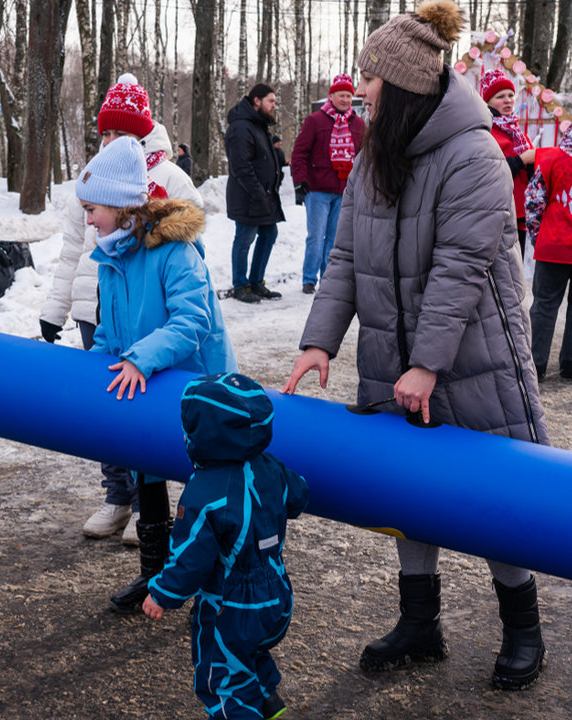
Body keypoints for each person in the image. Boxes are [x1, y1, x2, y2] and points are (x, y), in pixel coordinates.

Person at [281, 0, 550, 691]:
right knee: (405, 490)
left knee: (493, 492)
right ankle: (420, 622)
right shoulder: (376, 154)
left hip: (471, 359)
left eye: (370, 79)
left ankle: (524, 628)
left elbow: (462, 268)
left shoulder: (474, 156)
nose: (360, 88)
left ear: (401, 85)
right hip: (391, 357)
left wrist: (427, 364)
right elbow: (345, 257)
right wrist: (320, 342)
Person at [74, 136, 237, 614]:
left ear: (123, 205)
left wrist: (139, 358)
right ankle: (154, 574)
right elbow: (110, 328)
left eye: (93, 209)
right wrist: (92, 364)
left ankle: (211, 585)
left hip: (195, 387)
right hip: (147, 385)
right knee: (146, 473)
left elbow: (192, 322)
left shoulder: (174, 250)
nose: (88, 220)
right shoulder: (112, 256)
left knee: (202, 490)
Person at [39, 74, 203, 546]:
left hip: (160, 332)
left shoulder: (169, 188)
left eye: (119, 132)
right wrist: (58, 308)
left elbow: (189, 305)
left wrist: (145, 350)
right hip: (109, 312)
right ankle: (125, 504)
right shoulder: (97, 191)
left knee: (165, 432)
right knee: (117, 415)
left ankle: (182, 548)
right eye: (104, 132)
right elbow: (75, 249)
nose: (109, 141)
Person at [143, 373, 308, 720]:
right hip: (277, 595)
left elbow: (190, 556)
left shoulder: (205, 493)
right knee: (250, 653)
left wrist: (162, 593)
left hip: (230, 603)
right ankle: (271, 708)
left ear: (204, 436)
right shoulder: (272, 468)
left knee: (221, 678)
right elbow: (298, 496)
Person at [290, 73, 365, 295]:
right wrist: (300, 181)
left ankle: (328, 278)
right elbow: (299, 153)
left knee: (334, 239)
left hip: (344, 191)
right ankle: (308, 279)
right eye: (342, 95)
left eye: (349, 96)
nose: (346, 100)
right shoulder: (315, 121)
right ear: (331, 96)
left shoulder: (358, 124)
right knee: (316, 236)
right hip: (318, 189)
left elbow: (363, 157)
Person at [225, 83, 285, 304]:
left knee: (269, 235)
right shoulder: (242, 127)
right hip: (248, 196)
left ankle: (256, 282)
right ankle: (240, 285)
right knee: (244, 239)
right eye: (271, 101)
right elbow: (241, 167)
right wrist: (259, 193)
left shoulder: (258, 125)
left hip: (263, 195)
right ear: (256, 101)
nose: (274, 105)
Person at [525, 126, 572, 381]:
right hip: (554, 243)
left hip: (553, 243)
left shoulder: (551, 157)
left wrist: (536, 237)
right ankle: (570, 365)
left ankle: (535, 363)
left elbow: (534, 200)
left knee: (544, 305)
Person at [483, 69, 536, 261]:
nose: (508, 100)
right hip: (499, 214)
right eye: (500, 96)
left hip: (519, 215)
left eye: (511, 95)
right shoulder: (487, 132)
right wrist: (522, 160)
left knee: (516, 268)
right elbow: (489, 173)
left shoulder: (516, 132)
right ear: (487, 102)